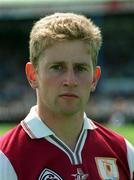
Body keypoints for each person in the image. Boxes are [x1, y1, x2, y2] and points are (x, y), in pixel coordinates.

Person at [0, 12, 134, 180]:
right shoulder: (6, 158)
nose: (70, 81)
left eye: (80, 68)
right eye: (57, 67)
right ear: (32, 75)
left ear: (94, 78)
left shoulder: (123, 152)